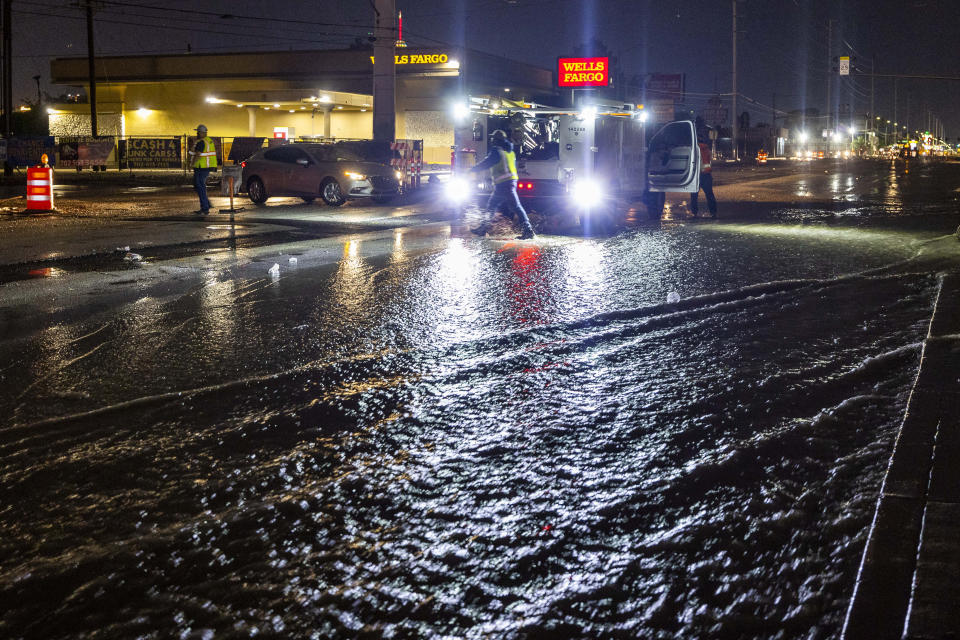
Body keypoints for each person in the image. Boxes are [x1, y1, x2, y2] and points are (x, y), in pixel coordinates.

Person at [468, 129, 536, 240]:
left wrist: (472, 169)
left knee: (515, 207)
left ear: (496, 140)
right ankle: (483, 228)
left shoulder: (496, 151)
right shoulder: (510, 151)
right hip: (508, 183)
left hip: (504, 184)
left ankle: (528, 231)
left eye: (493, 138)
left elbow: (486, 163)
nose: (491, 140)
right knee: (493, 206)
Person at [188, 124, 217, 214]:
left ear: (202, 132)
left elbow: (198, 154)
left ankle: (205, 207)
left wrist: (191, 164)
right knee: (200, 186)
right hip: (205, 168)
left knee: (200, 187)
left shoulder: (201, 142)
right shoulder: (208, 141)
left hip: (201, 168)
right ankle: (206, 204)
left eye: (198, 132)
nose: (197, 133)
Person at [690, 135, 717, 219]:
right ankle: (713, 212)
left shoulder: (694, 148)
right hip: (706, 174)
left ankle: (694, 212)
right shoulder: (707, 149)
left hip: (696, 175)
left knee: (694, 195)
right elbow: (709, 161)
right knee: (709, 195)